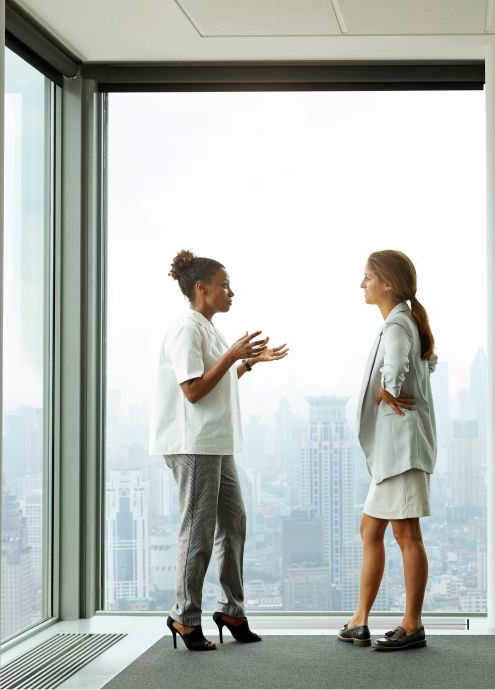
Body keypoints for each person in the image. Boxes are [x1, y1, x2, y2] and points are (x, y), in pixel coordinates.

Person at [150, 249, 288, 651]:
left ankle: (231, 609)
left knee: (234, 522)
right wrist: (232, 356)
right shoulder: (186, 329)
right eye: (224, 285)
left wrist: (249, 362)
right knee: (198, 529)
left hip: (214, 443)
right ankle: (184, 617)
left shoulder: (207, 329)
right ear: (201, 288)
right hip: (192, 444)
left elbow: (216, 383)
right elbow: (192, 391)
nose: (232, 292)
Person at [338, 250, 437, 652]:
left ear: (387, 284)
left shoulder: (397, 325)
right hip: (397, 451)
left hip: (402, 450)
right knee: (372, 529)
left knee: (406, 533)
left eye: (367, 278)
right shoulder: (404, 322)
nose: (362, 284)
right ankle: (360, 619)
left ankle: (412, 625)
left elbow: (395, 373)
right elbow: (426, 366)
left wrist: (387, 390)